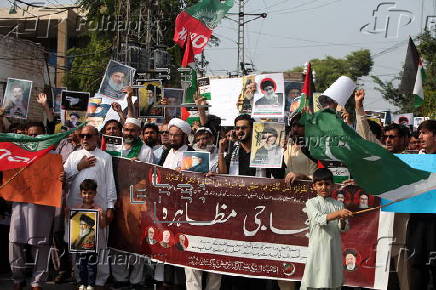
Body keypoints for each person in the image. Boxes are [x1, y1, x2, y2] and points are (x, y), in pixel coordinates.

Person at [63, 125, 117, 288]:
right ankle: (81, 279)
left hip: (97, 208)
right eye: (82, 136)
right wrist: (79, 166)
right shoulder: (74, 155)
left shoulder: (105, 157)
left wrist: (110, 207)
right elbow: (63, 178)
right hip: (76, 207)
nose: (85, 139)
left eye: (88, 136)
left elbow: (109, 183)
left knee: (98, 245)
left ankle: (98, 280)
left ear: (97, 137)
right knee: (77, 245)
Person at [8, 122, 57, 290]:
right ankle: (18, 277)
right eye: (31, 134)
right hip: (20, 204)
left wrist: (62, 178)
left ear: (45, 135)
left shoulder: (53, 156)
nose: (34, 137)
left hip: (42, 205)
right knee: (15, 241)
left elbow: (60, 179)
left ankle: (38, 281)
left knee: (40, 243)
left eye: (37, 134)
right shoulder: (17, 154)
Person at [300, 168, 352, 290]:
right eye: (320, 184)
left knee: (332, 283)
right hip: (317, 249)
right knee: (313, 282)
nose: (324, 187)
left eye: (327, 184)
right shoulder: (311, 203)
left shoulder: (338, 204)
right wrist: (339, 213)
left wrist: (343, 219)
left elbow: (343, 228)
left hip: (333, 249)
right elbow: (319, 219)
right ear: (314, 186)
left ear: (333, 186)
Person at [406, 119, 436, 290]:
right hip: (418, 222)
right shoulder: (414, 160)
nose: (420, 137)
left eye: (424, 133)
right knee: (417, 267)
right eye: (419, 133)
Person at [71, 179, 107, 290]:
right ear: (81, 193)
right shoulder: (77, 209)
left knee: (92, 265)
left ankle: (91, 284)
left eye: (90, 193)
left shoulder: (97, 209)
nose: (87, 195)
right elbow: (73, 226)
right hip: (80, 244)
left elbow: (102, 225)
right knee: (80, 265)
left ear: (95, 194)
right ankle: (83, 283)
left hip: (92, 244)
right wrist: (69, 214)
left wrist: (101, 216)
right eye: (85, 193)